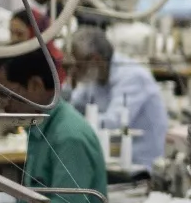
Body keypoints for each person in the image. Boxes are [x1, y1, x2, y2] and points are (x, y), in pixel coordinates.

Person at [0, 48, 108, 203]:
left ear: (35, 85)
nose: (3, 105)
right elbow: (33, 201)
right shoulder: (39, 128)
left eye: (6, 95)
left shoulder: (69, 137)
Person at [67, 27, 169, 170]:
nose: (75, 71)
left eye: (78, 65)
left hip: (139, 166)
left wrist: (69, 124)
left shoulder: (133, 76)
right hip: (110, 160)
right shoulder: (95, 75)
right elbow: (73, 107)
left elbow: (113, 122)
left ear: (95, 59)